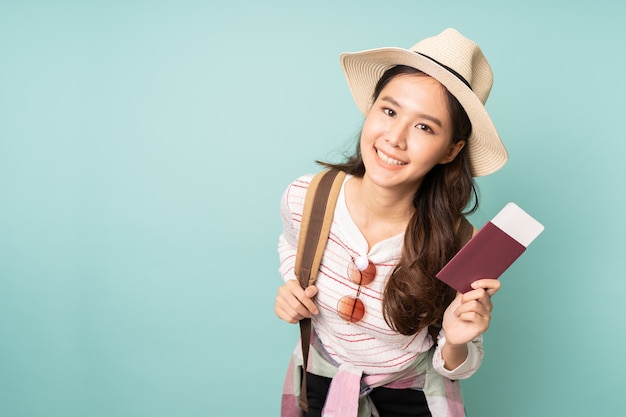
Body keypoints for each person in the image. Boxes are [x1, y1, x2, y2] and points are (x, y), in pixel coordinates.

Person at [275, 28, 508, 417]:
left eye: (424, 126)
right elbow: (290, 244)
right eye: (389, 110)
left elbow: (460, 364)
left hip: (412, 397)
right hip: (320, 383)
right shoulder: (307, 197)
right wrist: (291, 286)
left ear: (452, 149)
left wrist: (455, 340)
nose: (395, 138)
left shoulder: (465, 244)